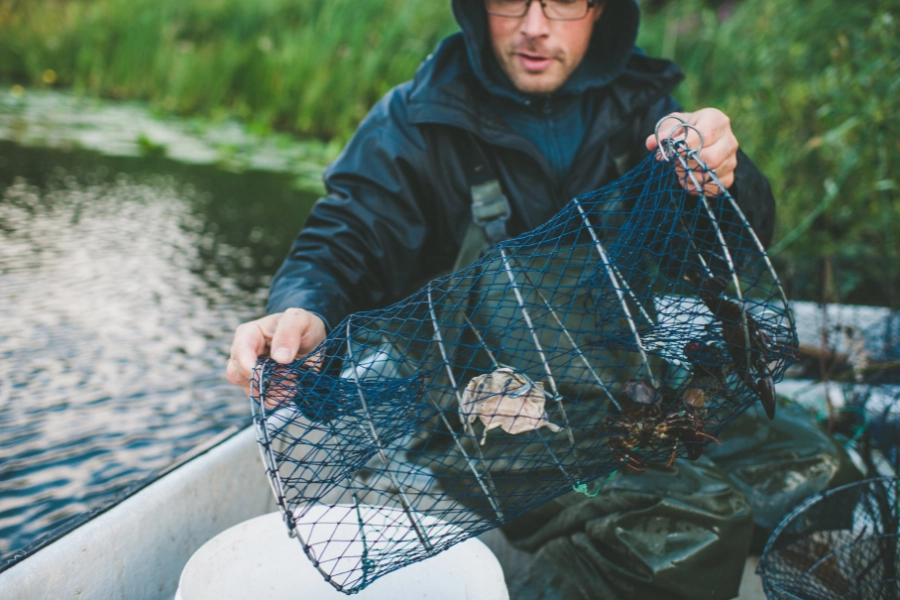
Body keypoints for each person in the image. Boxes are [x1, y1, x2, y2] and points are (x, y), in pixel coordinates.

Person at [227, 1, 784, 598]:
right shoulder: (415, 120)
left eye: (564, 0)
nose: (535, 25)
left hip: (628, 388)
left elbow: (733, 251)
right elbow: (341, 241)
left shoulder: (642, 105)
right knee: (694, 527)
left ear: (602, 12)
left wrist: (726, 177)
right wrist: (303, 308)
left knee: (803, 465)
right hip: (481, 419)